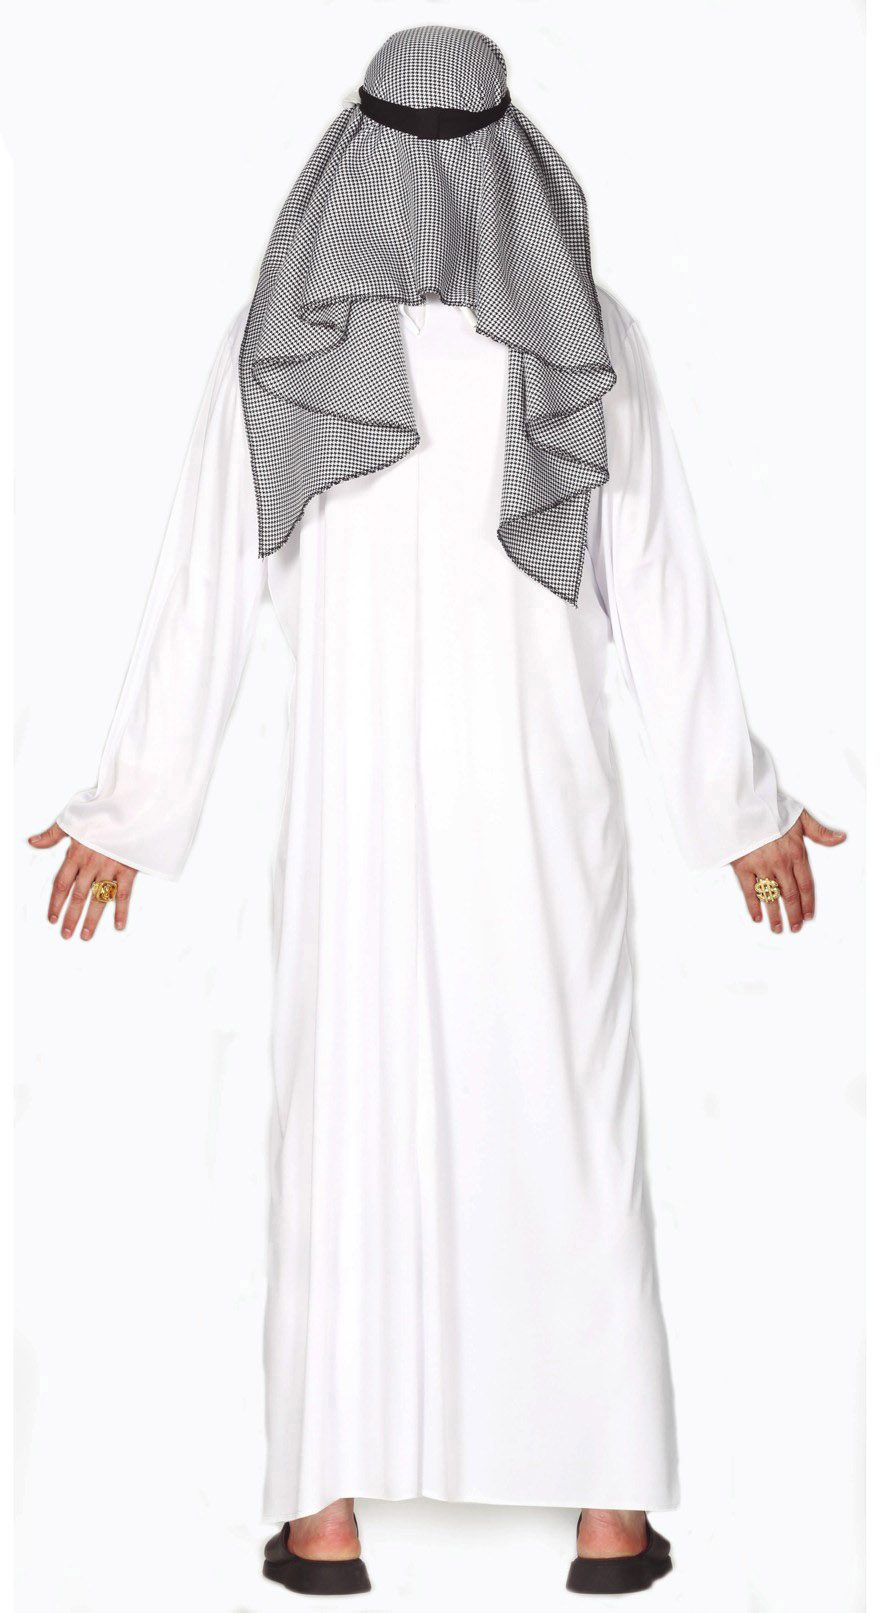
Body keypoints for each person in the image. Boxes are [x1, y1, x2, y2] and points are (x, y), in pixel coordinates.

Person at [29, 25, 845, 1599]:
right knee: (565, 1127)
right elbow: (664, 592)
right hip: (536, 817)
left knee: (351, 1135)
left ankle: (327, 1516)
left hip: (366, 827)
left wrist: (133, 807)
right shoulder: (581, 333)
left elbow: (199, 590)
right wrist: (734, 800)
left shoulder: (283, 338)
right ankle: (607, 1514)